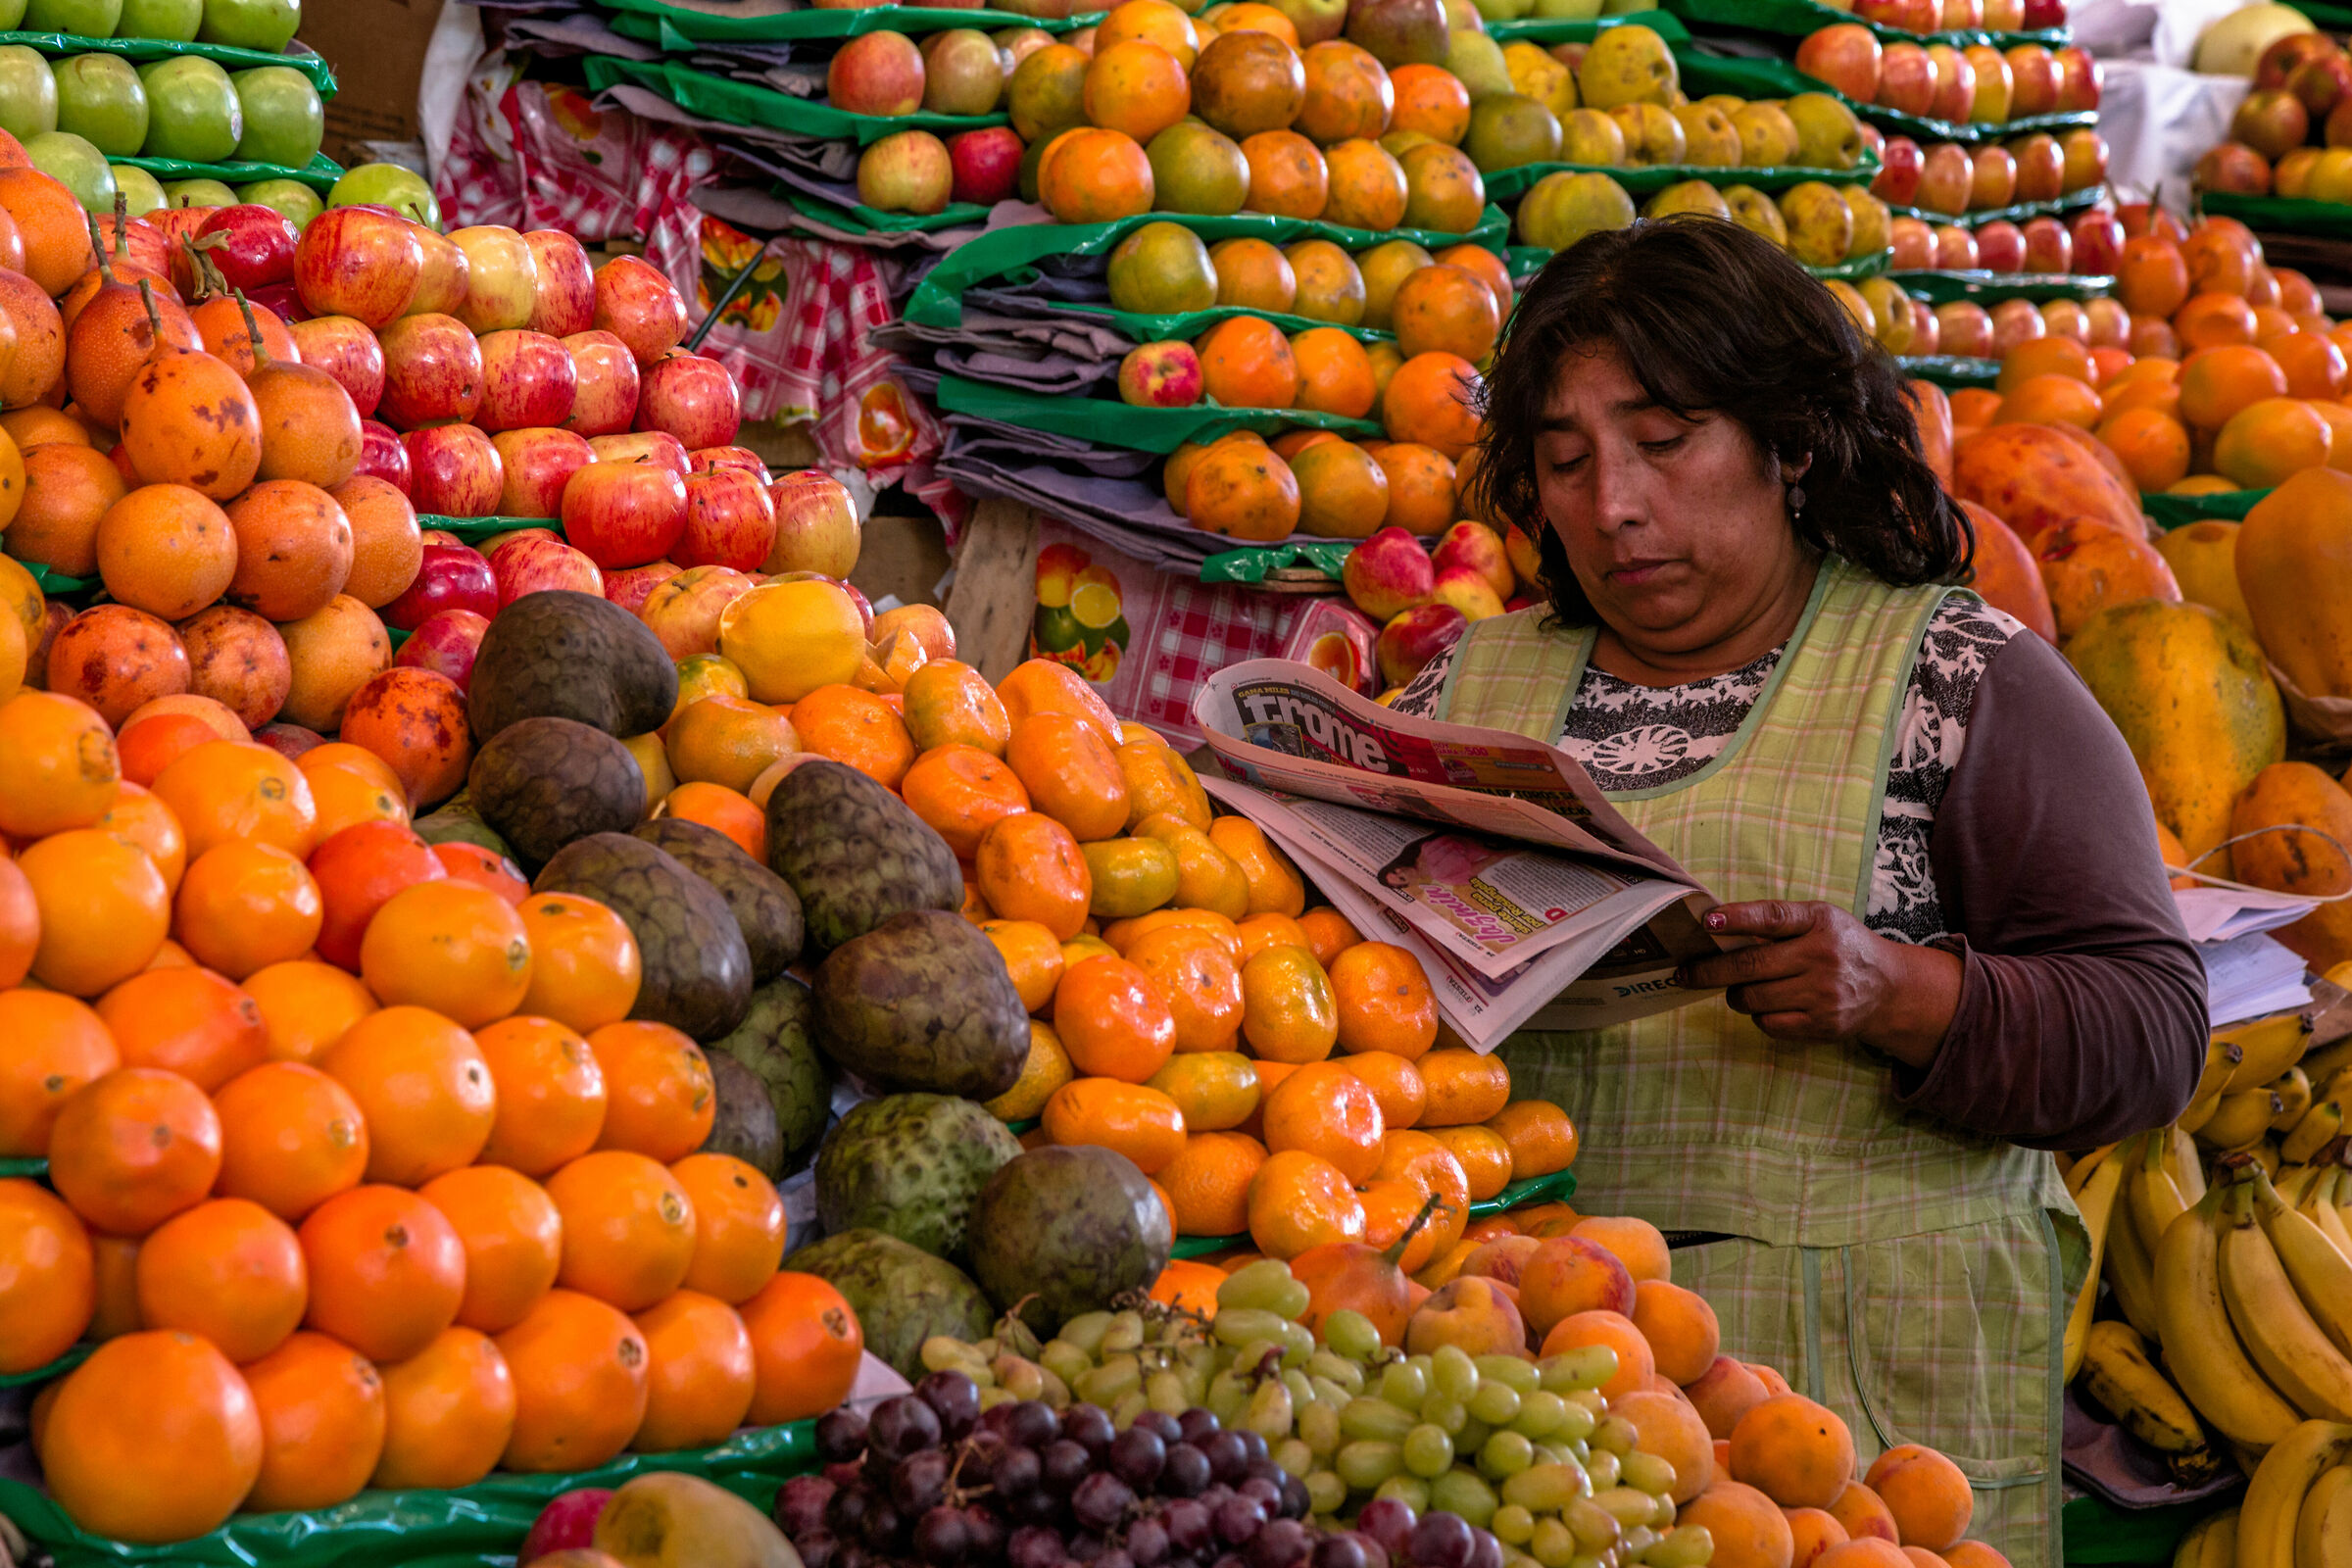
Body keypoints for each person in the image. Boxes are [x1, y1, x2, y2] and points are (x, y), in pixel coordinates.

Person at [1389, 218, 2206, 1565]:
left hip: (1862, 1446)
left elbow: (2153, 1035)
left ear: (1791, 440)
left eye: (1665, 439)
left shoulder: (1964, 683)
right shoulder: (1462, 696)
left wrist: (1896, 991)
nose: (1615, 506)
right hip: (1540, 1425)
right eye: (1566, 459)